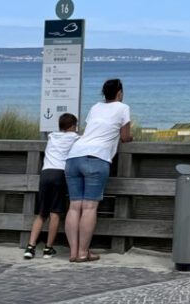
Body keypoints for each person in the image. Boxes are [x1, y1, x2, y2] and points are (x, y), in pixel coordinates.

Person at [64, 78, 132, 263]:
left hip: (74, 156)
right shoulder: (123, 108)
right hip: (97, 157)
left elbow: (90, 130)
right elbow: (125, 137)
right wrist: (131, 137)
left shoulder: (95, 107)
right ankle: (83, 252)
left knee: (74, 206)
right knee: (89, 207)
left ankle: (73, 252)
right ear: (119, 93)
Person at [24, 113, 79, 259]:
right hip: (59, 174)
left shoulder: (52, 137)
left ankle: (30, 247)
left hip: (45, 173)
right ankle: (48, 249)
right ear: (72, 126)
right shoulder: (74, 138)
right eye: (75, 126)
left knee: (42, 213)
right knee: (55, 213)